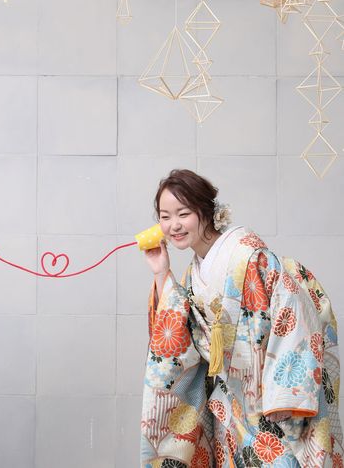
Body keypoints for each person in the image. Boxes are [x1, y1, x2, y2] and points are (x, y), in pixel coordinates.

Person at [141, 169, 342, 467]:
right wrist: (161, 272)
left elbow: (294, 311)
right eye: (165, 217)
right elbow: (179, 333)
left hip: (272, 403)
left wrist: (286, 394)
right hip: (231, 409)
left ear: (206, 212)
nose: (174, 225)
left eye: (183, 214)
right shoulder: (194, 274)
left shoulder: (250, 257)